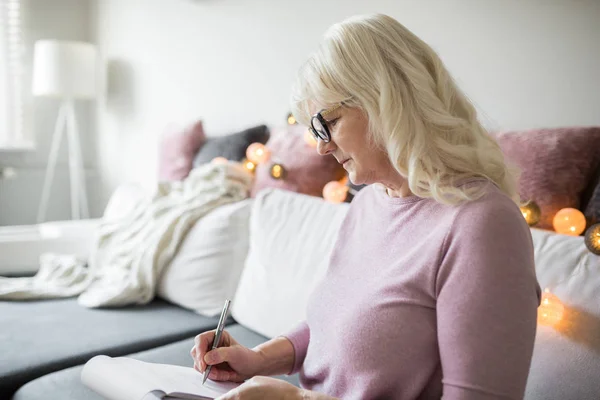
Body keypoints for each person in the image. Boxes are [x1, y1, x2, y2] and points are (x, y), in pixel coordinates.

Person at [190, 13, 540, 400]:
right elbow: (337, 326)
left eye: (329, 122)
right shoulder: (370, 200)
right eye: (314, 129)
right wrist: (256, 358)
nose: (322, 146)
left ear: (389, 102)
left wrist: (298, 398)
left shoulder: (482, 225)